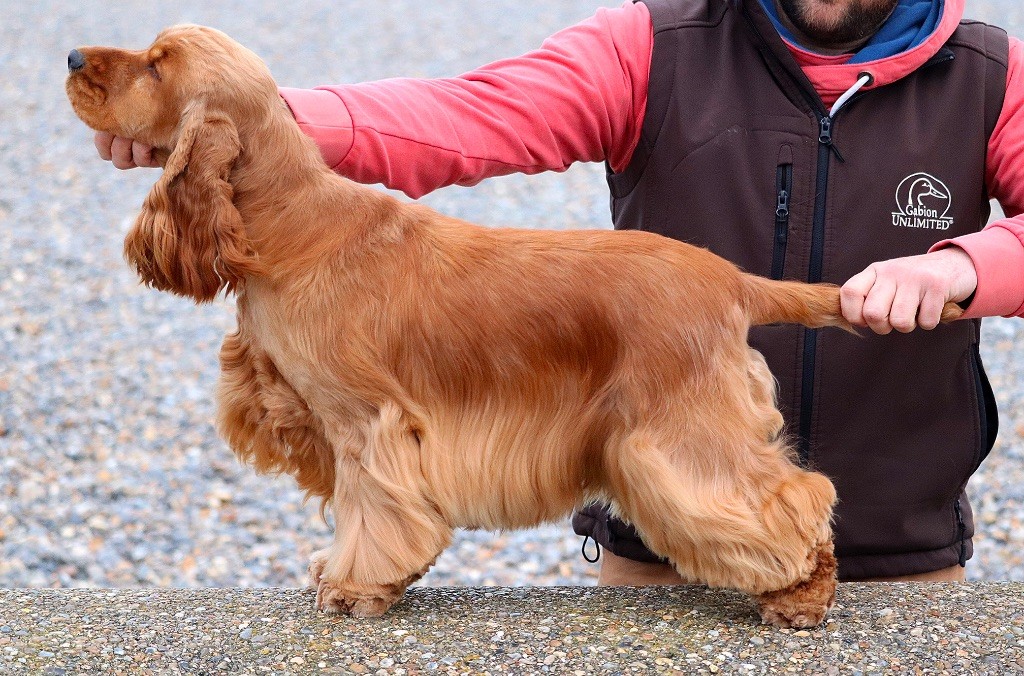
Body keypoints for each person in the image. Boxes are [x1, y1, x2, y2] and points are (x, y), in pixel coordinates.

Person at [96, 0, 1024, 584]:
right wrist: (271, 124)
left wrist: (965, 266)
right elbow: (471, 114)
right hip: (652, 563)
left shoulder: (991, 73)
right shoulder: (656, 40)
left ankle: (787, 536)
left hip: (911, 563)